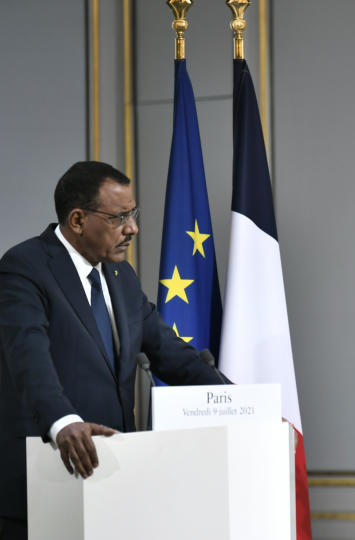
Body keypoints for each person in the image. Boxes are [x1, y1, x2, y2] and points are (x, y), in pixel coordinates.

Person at [0, 161, 229, 540]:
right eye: (119, 217)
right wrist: (62, 422)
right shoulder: (25, 268)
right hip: (46, 484)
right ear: (77, 220)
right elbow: (28, 357)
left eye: (133, 214)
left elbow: (170, 353)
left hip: (116, 484)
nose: (133, 228)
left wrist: (240, 402)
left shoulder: (120, 276)